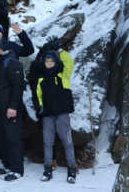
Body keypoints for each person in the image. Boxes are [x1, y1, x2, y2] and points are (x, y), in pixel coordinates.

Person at [33, 45, 77, 184]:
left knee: (67, 141)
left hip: (62, 114)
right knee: (47, 142)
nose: (49, 63)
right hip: (48, 115)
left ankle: (72, 169)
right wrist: (40, 107)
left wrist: (60, 51)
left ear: (56, 62)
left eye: (52, 61)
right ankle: (48, 168)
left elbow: (69, 62)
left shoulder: (63, 76)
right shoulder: (41, 80)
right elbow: (39, 96)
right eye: (47, 61)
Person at [0, 39, 25, 181]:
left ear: (1, 49)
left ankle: (17, 169)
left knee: (12, 139)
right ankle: (8, 165)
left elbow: (17, 86)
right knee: (0, 139)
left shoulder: (11, 62)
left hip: (10, 109)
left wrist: (13, 106)